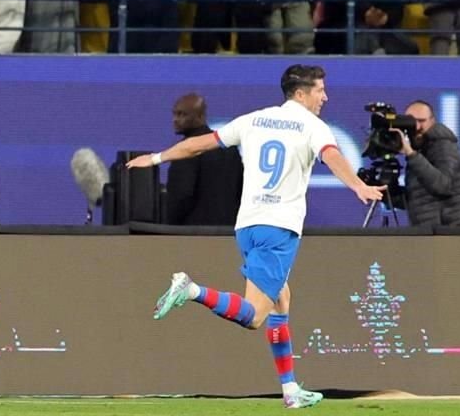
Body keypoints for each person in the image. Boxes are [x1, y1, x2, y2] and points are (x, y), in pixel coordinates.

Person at [127, 64, 384, 410]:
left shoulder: (255, 119)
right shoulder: (314, 127)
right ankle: (191, 289)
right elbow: (333, 157)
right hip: (278, 228)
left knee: (282, 299)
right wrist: (358, 185)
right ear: (301, 93)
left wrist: (157, 157)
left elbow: (201, 144)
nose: (326, 96)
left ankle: (291, 390)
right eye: (320, 90)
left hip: (247, 225)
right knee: (254, 316)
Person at [394, 100, 460, 226]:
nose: (417, 127)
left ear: (432, 121)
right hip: (432, 231)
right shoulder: (420, 149)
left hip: (453, 232)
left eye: (422, 121)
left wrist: (411, 154)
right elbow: (417, 199)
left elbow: (442, 186)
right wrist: (386, 192)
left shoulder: (443, 144)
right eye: (411, 122)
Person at [164, 93, 243, 225]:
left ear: (201, 116)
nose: (175, 119)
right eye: (175, 114)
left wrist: (170, 225)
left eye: (182, 114)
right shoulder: (229, 147)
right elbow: (241, 190)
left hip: (193, 234)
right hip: (228, 231)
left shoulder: (185, 149)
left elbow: (182, 195)